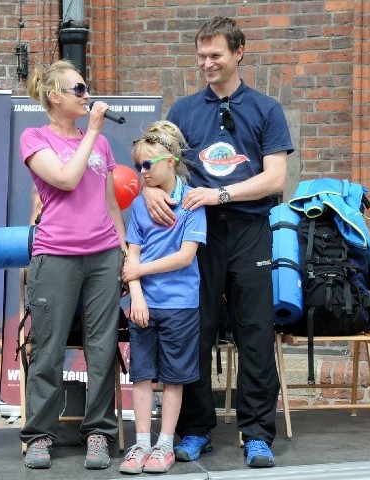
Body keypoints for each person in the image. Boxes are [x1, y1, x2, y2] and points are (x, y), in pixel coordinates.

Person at [143, 16, 294, 468]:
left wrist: (222, 192)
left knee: (254, 332)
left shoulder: (267, 109)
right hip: (196, 232)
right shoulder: (184, 111)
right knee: (196, 329)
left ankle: (257, 434)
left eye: (216, 55)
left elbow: (275, 178)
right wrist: (150, 188)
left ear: (239, 52)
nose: (207, 63)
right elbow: (153, 162)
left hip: (251, 229)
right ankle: (194, 429)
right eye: (202, 56)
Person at [18, 59, 126, 471]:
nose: (87, 95)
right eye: (78, 89)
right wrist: (94, 131)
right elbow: (64, 178)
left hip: (103, 256)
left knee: (102, 348)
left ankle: (99, 431)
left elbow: (110, 200)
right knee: (48, 348)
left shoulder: (98, 143)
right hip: (56, 254)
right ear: (54, 97)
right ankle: (40, 435)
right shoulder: (35, 137)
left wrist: (123, 248)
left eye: (86, 88)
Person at [119, 121, 206, 475]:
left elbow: (185, 257)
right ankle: (141, 442)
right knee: (141, 375)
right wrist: (136, 295)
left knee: (174, 377)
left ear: (171, 161)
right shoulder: (139, 206)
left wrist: (139, 272)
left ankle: (164, 445)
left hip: (181, 305)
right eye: (138, 165)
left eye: (148, 164)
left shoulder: (191, 202)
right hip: (145, 305)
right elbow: (132, 256)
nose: (142, 173)